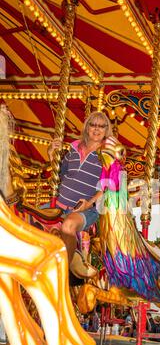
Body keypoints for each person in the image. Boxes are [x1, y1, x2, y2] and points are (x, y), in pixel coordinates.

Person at [47, 111, 113, 264]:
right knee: (28, 218)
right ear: (86, 128)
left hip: (88, 209)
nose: (96, 129)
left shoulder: (107, 154)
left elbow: (108, 185)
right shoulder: (74, 149)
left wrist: (88, 204)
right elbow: (61, 174)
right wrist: (52, 155)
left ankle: (64, 271)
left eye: (101, 126)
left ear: (106, 130)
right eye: (93, 125)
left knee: (68, 226)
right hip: (60, 203)